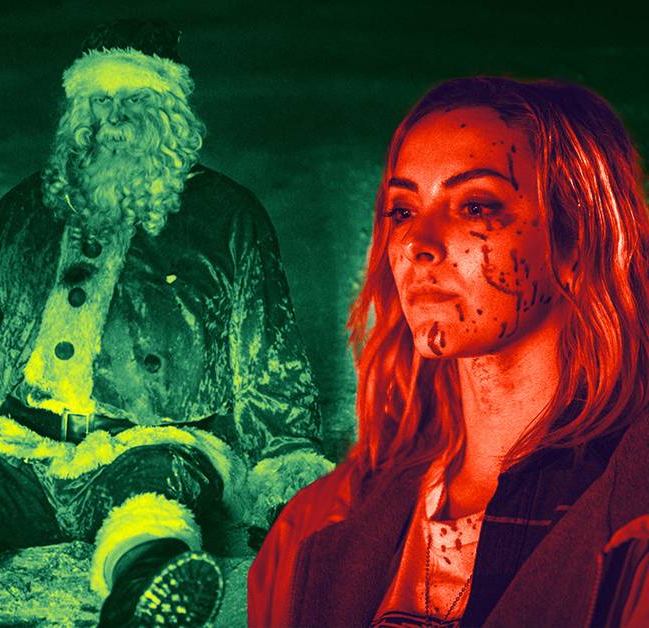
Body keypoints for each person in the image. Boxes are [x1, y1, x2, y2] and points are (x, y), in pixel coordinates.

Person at [0, 19, 330, 627]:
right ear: (77, 112)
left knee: (153, 510)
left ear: (171, 112)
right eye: (98, 101)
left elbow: (270, 360)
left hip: (153, 442)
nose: (114, 118)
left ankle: (145, 599)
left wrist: (286, 476)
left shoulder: (226, 217)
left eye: (135, 100)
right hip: (20, 443)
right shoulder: (30, 208)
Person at [246, 76, 649, 626]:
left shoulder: (632, 519)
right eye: (403, 211)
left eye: (475, 206)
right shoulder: (313, 528)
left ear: (577, 238)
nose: (418, 243)